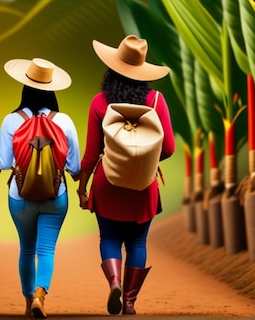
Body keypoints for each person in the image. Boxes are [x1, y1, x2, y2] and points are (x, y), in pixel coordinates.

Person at [77, 35, 175, 315]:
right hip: (144, 186)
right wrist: (144, 159)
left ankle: (115, 282)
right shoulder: (156, 100)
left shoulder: (99, 102)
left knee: (108, 238)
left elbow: (91, 153)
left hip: (108, 183)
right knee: (137, 241)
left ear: (112, 68)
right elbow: (168, 147)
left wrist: (82, 189)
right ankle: (130, 301)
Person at [0, 58, 81, 318]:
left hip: (20, 196)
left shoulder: (12, 120)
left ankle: (27, 304)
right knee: (46, 249)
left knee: (26, 249)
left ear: (24, 88)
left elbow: (0, 162)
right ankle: (40, 295)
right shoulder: (65, 121)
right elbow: (75, 168)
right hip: (55, 196)